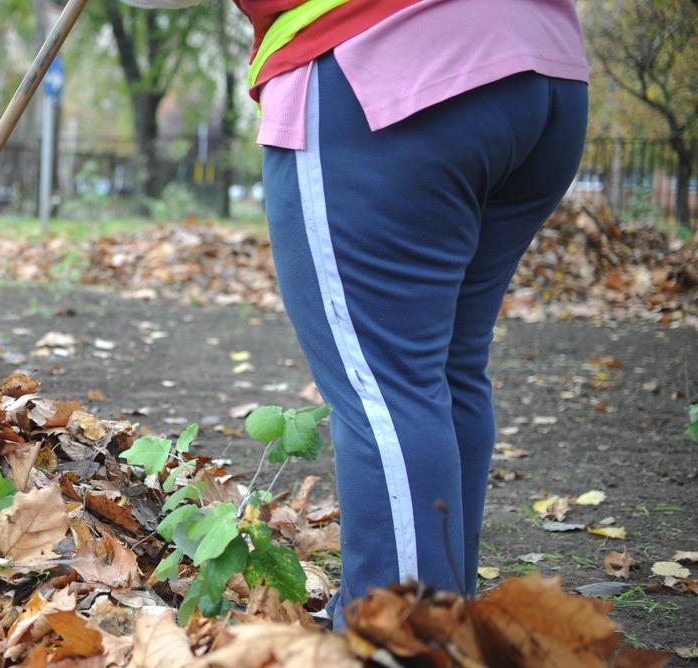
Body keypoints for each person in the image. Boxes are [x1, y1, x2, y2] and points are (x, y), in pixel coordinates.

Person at [128, 0, 589, 626]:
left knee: (386, 382)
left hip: (383, 63)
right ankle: (444, 621)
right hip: (540, 66)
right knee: (445, 369)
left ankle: (400, 653)